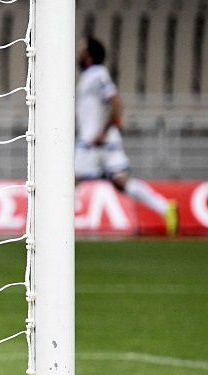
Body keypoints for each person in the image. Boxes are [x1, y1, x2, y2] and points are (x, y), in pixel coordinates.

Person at [74, 37, 177, 235]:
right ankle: (165, 207)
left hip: (95, 142)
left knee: (70, 179)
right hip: (100, 142)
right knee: (121, 182)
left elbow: (115, 102)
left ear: (89, 55)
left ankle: (54, 229)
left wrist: (103, 131)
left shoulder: (97, 75)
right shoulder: (90, 76)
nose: (78, 52)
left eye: (82, 49)